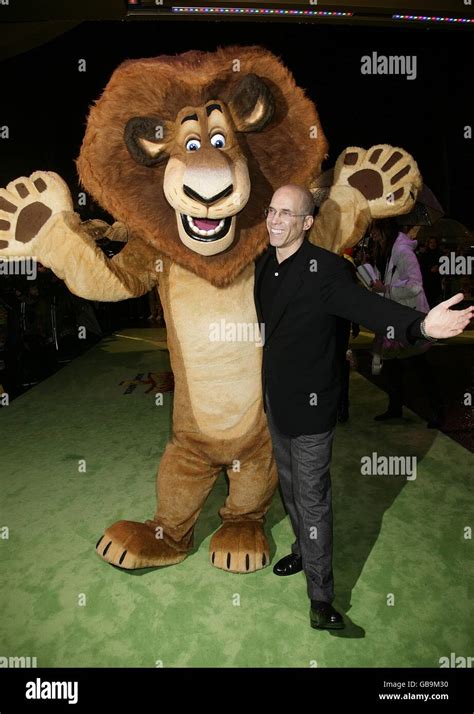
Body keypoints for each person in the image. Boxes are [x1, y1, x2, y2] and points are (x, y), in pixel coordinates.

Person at [254, 185, 474, 630]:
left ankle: (320, 599)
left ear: (307, 223)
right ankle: (300, 550)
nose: (275, 221)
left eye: (286, 214)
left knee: (313, 501)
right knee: (291, 489)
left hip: (313, 409)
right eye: (271, 211)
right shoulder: (263, 264)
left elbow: (367, 307)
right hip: (276, 400)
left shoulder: (327, 270)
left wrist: (420, 325)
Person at [370, 219, 444, 427]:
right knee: (393, 365)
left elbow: (415, 287)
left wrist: (385, 289)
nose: (372, 235)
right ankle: (395, 407)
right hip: (396, 317)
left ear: (384, 229)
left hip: (409, 318)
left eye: (374, 230)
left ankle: (438, 410)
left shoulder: (403, 252)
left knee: (419, 366)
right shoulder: (389, 251)